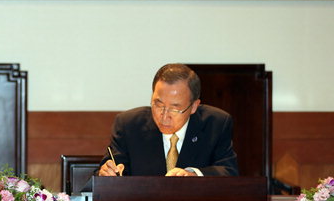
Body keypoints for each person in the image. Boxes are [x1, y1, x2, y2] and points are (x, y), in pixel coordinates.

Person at [99, 63, 238, 177]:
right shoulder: (128, 125)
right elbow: (105, 175)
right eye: (158, 104)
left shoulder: (216, 123)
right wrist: (106, 173)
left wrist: (194, 175)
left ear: (194, 106)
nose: (164, 116)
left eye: (175, 108)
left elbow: (229, 172)